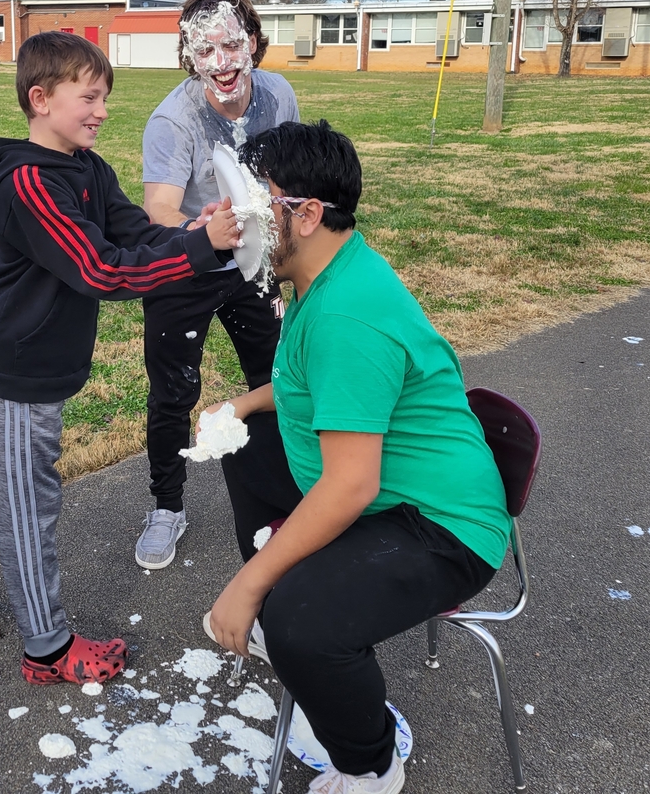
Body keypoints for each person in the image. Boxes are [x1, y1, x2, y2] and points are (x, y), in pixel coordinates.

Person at [0, 31, 239, 686]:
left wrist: (195, 231)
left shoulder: (86, 167)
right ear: (40, 98)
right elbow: (100, 270)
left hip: (34, 369)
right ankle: (49, 650)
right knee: (24, 506)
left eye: (105, 97)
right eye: (89, 97)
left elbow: (133, 232)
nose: (102, 110)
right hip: (13, 373)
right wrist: (199, 254)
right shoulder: (28, 182)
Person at [203, 120, 512, 794]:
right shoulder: (325, 276)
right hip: (385, 496)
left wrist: (250, 585)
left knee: (301, 625)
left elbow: (349, 486)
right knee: (245, 446)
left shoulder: (347, 313)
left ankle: (371, 765)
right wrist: (244, 407)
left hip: (441, 527)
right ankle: (284, 603)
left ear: (306, 215)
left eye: (256, 204)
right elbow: (304, 385)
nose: (237, 222)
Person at [135, 0, 299, 570]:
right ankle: (166, 507)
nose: (222, 63)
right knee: (174, 389)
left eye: (231, 44)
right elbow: (158, 210)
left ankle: (290, 488)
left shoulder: (278, 95)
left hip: (256, 263)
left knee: (279, 374)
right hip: (190, 260)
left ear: (253, 42)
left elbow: (290, 179)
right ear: (189, 58)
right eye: (206, 51)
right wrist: (203, 231)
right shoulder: (172, 120)